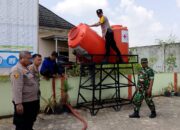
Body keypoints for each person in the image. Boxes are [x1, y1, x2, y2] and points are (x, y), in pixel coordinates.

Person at [10, 51, 40, 130]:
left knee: (29, 123)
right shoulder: (16, 70)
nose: (30, 60)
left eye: (30, 58)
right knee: (22, 125)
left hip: (31, 101)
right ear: (21, 58)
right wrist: (18, 103)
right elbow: (17, 88)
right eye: (28, 58)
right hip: (24, 103)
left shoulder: (26, 68)